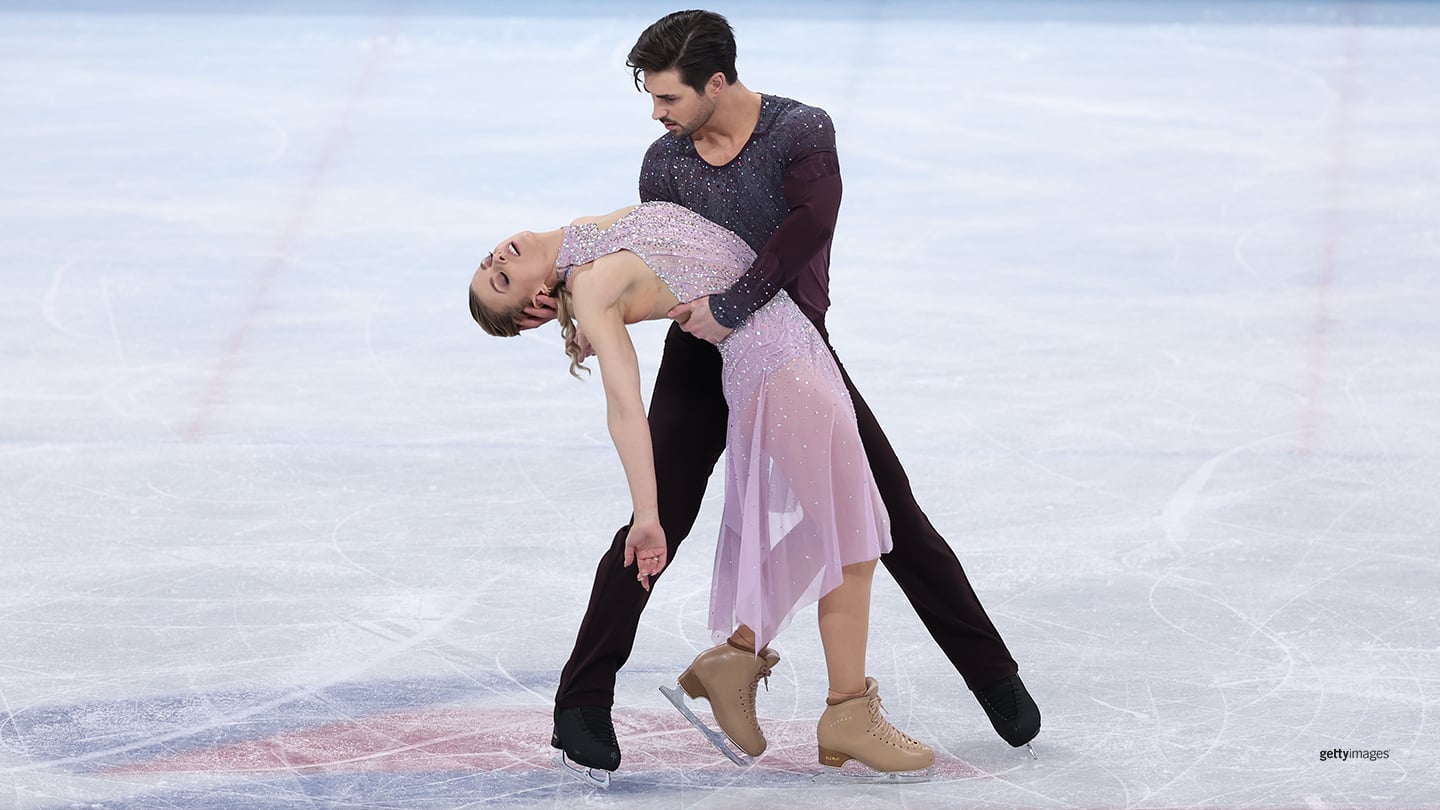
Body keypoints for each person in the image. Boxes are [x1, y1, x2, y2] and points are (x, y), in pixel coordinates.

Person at [527, 9, 1041, 779]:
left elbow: (810, 225)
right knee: (657, 515)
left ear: (718, 81)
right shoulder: (665, 164)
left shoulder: (800, 131)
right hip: (701, 359)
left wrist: (732, 308)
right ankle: (581, 702)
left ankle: (992, 676)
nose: (658, 116)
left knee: (889, 512)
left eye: (668, 99)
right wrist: (577, 310)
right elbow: (649, 253)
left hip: (788, 354)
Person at [469, 200, 937, 783]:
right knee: (857, 530)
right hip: (773, 368)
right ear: (533, 306)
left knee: (859, 522)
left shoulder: (586, 237)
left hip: (794, 346)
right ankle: (845, 709)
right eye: (501, 279)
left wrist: (577, 317)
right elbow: (623, 407)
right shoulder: (591, 285)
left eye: (489, 261)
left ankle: (738, 659)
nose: (499, 257)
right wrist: (647, 512)